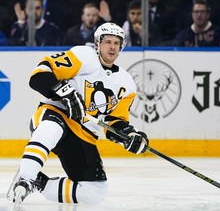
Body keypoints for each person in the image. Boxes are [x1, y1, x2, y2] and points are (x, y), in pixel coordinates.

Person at [7, 22, 149, 205]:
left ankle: (38, 182)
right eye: (107, 42)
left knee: (95, 192)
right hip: (55, 113)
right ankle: (26, 177)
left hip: (83, 134)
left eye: (116, 43)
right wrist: (64, 91)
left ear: (121, 47)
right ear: (97, 44)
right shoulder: (83, 56)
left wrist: (130, 135)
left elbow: (115, 121)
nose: (112, 46)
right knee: (50, 129)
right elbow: (39, 75)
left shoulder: (127, 83)